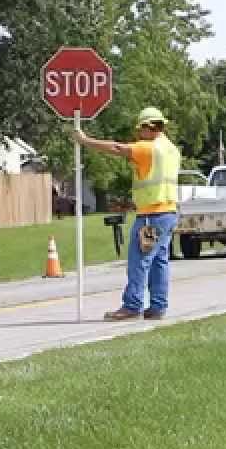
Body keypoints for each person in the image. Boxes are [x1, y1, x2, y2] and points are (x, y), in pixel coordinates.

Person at [72, 107, 181, 321]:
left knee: (139, 260)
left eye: (140, 129)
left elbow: (117, 148)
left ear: (148, 127)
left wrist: (85, 141)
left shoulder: (148, 148)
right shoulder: (171, 149)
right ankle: (158, 306)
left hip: (151, 217)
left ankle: (132, 306)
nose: (138, 134)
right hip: (168, 213)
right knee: (159, 262)